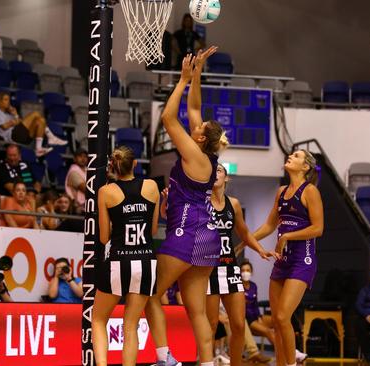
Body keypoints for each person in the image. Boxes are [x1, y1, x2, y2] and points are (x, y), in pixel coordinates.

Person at [154, 47, 227, 366]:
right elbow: (194, 107)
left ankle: (164, 356)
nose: (194, 124)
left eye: (197, 128)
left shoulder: (194, 156)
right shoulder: (207, 155)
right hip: (208, 236)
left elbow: (168, 117)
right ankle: (207, 362)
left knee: (151, 295)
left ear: (199, 139)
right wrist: (197, 75)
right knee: (195, 309)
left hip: (188, 231)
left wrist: (182, 80)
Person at [253, 149, 324, 366]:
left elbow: (318, 228)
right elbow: (269, 225)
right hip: (282, 261)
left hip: (303, 260)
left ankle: (292, 364)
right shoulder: (281, 191)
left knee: (283, 317)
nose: (290, 157)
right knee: (277, 321)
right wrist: (248, 240)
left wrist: (287, 237)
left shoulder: (310, 191)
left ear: (305, 167)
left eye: (296, 156)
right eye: (291, 154)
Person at [92, 146, 160, 365]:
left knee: (99, 319)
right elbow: (152, 230)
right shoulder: (152, 186)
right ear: (135, 164)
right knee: (130, 324)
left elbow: (103, 238)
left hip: (119, 260)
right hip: (146, 261)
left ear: (113, 167)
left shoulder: (106, 191)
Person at [204, 164, 275, 366]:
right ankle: (206, 362)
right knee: (211, 325)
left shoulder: (233, 204)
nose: (215, 173)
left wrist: (260, 249)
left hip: (230, 268)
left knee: (238, 325)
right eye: (212, 170)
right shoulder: (201, 202)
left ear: (226, 178)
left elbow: (244, 233)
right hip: (209, 268)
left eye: (219, 170)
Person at [240, 261, 307, 363]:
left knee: (279, 321)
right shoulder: (238, 286)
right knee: (269, 331)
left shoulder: (253, 286)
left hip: (256, 316)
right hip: (247, 319)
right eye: (243, 270)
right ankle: (292, 353)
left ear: (251, 272)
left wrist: (259, 317)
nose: (245, 273)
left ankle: (292, 348)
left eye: (248, 270)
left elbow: (255, 304)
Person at [0, 92, 66, 157]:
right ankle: (51, 137)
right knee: (35, 113)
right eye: (5, 99)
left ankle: (38, 149)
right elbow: (4, 126)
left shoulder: (8, 114)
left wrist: (15, 114)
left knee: (41, 121)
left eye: (8, 100)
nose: (8, 102)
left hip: (21, 136)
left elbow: (19, 122)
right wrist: (14, 122)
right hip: (12, 135)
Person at [65, 148, 87, 212]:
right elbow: (86, 189)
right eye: (80, 156)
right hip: (77, 207)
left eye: (85, 156)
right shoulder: (73, 172)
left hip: (86, 205)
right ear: (74, 159)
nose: (83, 159)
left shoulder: (87, 170)